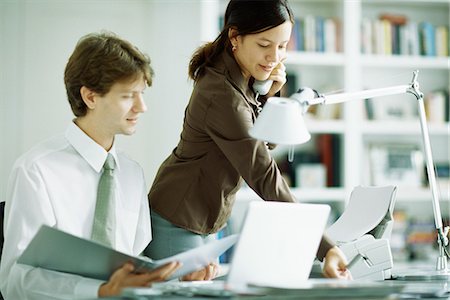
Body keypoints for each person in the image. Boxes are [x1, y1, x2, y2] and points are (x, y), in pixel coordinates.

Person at [145, 0, 351, 280]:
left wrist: (268, 93)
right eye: (264, 45)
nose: (274, 57)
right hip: (176, 219)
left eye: (282, 46)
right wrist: (325, 248)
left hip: (202, 220)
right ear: (235, 37)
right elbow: (262, 172)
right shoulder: (223, 95)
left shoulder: (240, 79)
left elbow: (264, 141)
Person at [0, 32, 183, 299]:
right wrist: (100, 291)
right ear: (90, 97)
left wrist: (178, 278)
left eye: (141, 94)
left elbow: (134, 260)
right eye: (128, 96)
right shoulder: (36, 170)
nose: (141, 107)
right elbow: (16, 281)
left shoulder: (132, 173)